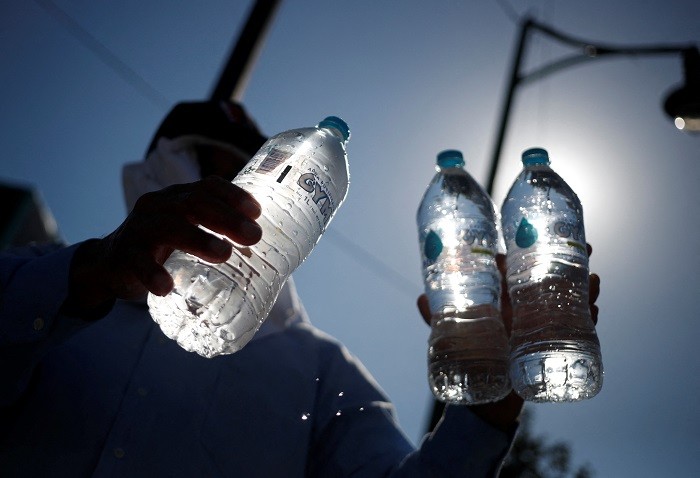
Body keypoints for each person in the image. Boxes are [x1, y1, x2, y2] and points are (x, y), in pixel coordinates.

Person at [0, 100, 600, 477]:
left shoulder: (320, 368)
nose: (228, 198)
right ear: (160, 175)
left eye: (241, 178)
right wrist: (89, 277)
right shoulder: (42, 279)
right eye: (205, 171)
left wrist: (488, 412)